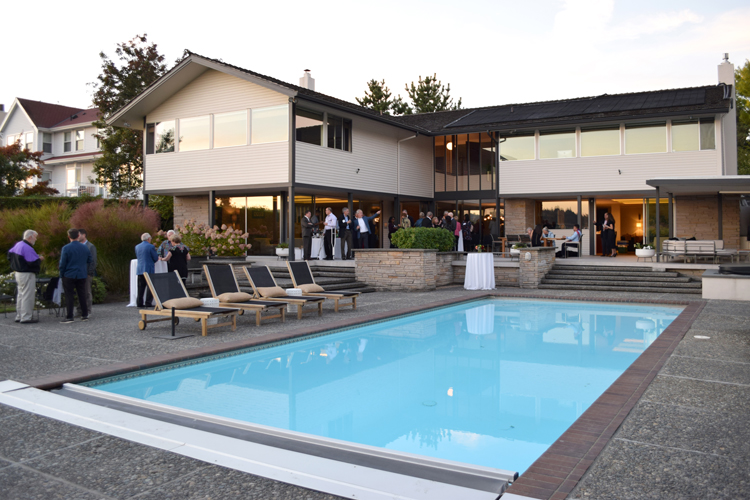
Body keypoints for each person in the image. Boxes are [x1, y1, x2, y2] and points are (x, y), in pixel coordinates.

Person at [8, 229, 42, 324]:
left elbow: (9, 256)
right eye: (35, 237)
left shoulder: (18, 244)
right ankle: (26, 317)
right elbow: (32, 262)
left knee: (20, 295)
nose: (36, 239)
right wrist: (39, 259)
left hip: (18, 273)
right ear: (30, 237)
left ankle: (19, 315)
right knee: (28, 295)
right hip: (27, 273)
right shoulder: (27, 247)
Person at [59, 228, 92, 323]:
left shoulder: (66, 248)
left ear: (68, 236)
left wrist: (62, 274)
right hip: (81, 273)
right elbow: (90, 260)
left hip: (69, 274)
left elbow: (62, 263)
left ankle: (70, 316)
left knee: (69, 295)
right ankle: (84, 314)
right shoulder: (85, 247)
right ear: (78, 236)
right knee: (82, 294)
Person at [76, 229, 97, 318]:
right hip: (78, 273)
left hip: (87, 272)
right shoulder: (77, 246)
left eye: (79, 235)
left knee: (87, 291)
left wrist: (90, 272)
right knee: (79, 292)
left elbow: (93, 260)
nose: (78, 237)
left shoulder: (90, 246)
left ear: (84, 235)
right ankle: (79, 310)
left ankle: (88, 310)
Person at [135, 233, 159, 307]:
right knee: (150, 286)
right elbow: (155, 258)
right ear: (148, 239)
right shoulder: (151, 246)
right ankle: (148, 302)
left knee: (140, 287)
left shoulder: (137, 246)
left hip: (140, 269)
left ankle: (139, 303)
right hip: (148, 268)